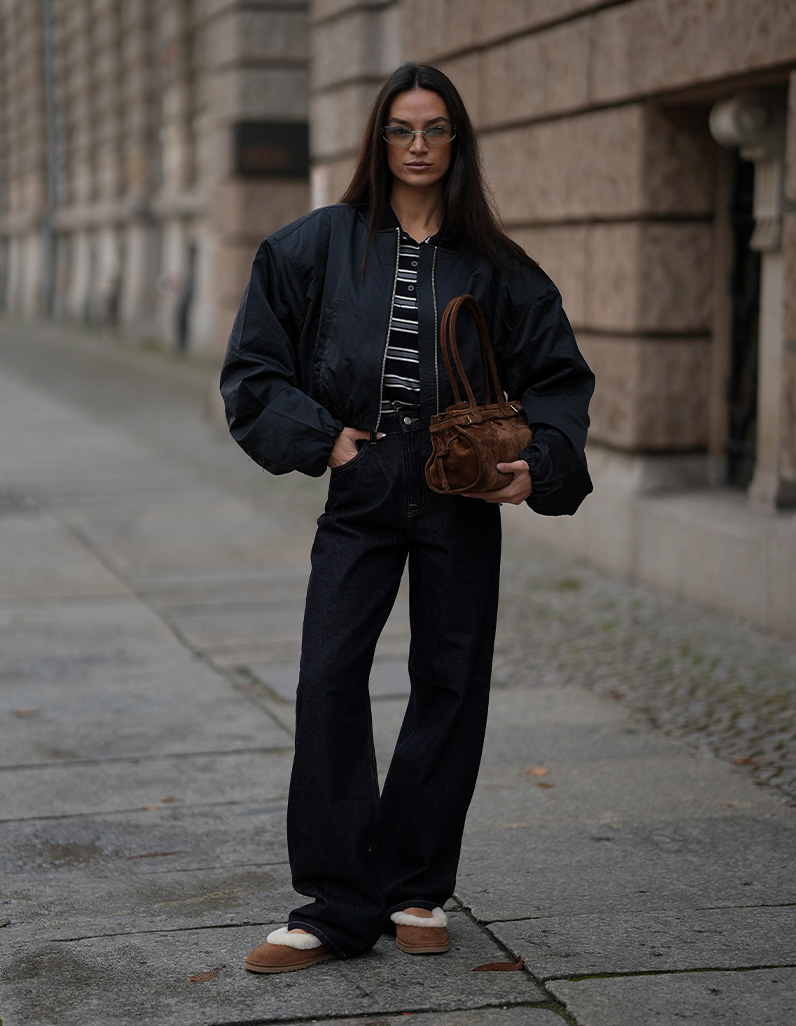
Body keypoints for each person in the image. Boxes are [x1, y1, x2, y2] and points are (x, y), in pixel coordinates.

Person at [220, 62, 594, 973]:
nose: (418, 147)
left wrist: (536, 464)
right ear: (377, 140)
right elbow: (254, 369)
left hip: (462, 495)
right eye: (401, 129)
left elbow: (558, 382)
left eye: (434, 131)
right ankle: (336, 903)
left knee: (451, 680)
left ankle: (418, 886)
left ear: (456, 143)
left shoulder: (502, 267)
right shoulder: (312, 246)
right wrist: (325, 440)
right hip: (364, 486)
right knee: (329, 678)